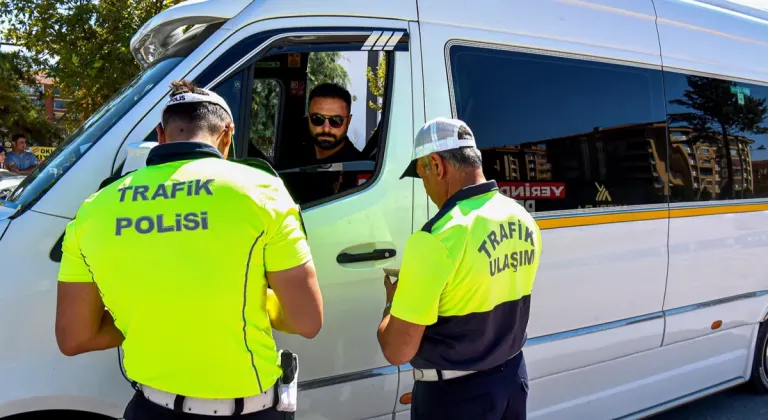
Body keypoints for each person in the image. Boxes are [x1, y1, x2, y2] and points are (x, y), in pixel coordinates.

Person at [55, 79, 324, 420]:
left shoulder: (93, 209)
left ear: (161, 134)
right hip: (248, 411)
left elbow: (74, 337)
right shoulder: (262, 191)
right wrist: (250, 302)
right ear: (227, 134)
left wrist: (157, 315)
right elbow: (307, 320)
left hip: (151, 410)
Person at [376, 118, 542, 420]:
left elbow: (397, 350)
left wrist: (392, 302)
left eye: (422, 175)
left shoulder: (436, 238)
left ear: (437, 166)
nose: (425, 187)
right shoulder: (522, 218)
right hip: (512, 381)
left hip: (456, 398)